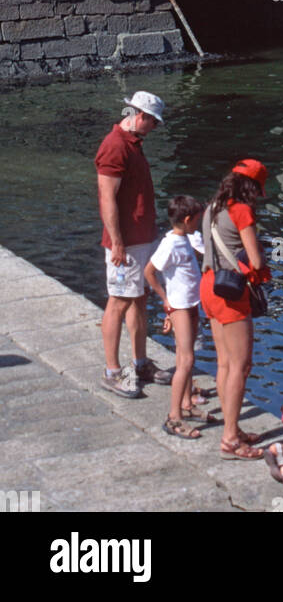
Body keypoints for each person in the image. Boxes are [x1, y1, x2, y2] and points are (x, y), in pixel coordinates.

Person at [95, 90, 173, 399]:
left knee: (138, 299)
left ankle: (140, 363)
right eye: (153, 122)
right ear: (139, 116)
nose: (154, 127)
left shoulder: (132, 144)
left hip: (141, 238)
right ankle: (112, 371)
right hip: (125, 244)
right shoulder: (115, 147)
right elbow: (107, 198)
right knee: (118, 301)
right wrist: (117, 243)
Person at [199, 159, 271, 460]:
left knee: (225, 364)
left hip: (208, 285)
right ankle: (230, 439)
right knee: (241, 366)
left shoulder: (212, 207)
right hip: (231, 292)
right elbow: (254, 262)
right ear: (251, 187)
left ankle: (233, 427)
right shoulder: (242, 211)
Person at [144, 196, 211, 438]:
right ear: (186, 220)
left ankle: (187, 404)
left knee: (188, 355)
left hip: (191, 303)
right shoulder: (170, 244)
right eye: (197, 221)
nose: (199, 225)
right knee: (186, 360)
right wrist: (165, 300)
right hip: (179, 307)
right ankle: (174, 417)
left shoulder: (186, 238)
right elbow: (149, 272)